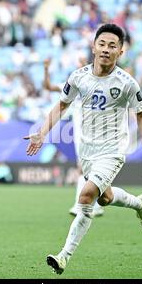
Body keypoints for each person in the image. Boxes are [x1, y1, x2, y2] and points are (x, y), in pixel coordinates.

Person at [24, 23, 142, 275]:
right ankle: (139, 205)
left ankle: (63, 256)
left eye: (112, 46)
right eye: (102, 44)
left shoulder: (127, 84)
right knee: (105, 198)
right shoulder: (78, 77)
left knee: (86, 196)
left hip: (113, 150)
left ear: (120, 52)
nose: (106, 49)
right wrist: (42, 133)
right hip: (87, 152)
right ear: (93, 46)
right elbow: (61, 106)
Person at [42, 57, 105, 217]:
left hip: (94, 132)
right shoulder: (71, 86)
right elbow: (48, 87)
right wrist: (46, 70)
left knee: (85, 168)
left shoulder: (94, 85)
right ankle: (93, 205)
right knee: (85, 169)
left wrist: (84, 64)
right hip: (80, 133)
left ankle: (83, 204)